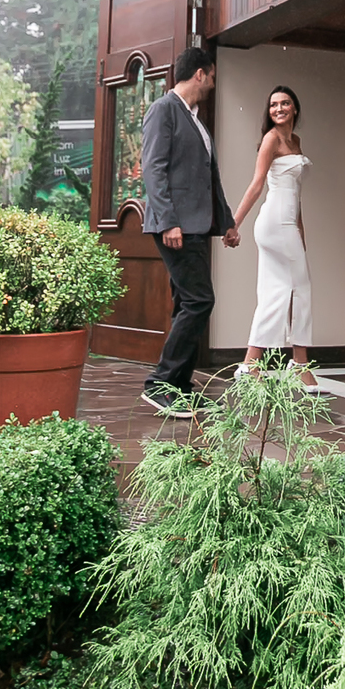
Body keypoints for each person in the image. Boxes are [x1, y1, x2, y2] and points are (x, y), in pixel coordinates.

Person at [140, 45, 239, 416]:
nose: (212, 84)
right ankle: (161, 383)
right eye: (211, 77)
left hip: (196, 224)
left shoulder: (195, 119)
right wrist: (168, 221)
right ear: (200, 72)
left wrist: (226, 222)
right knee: (201, 300)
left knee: (187, 301)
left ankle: (179, 386)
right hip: (175, 225)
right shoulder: (163, 110)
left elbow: (208, 178)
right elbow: (154, 168)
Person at [232, 85, 317, 389]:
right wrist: (234, 223)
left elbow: (297, 196)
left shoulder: (295, 140)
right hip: (273, 223)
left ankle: (251, 364)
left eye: (284, 103)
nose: (278, 109)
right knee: (300, 288)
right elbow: (257, 185)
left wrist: (301, 233)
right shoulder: (271, 139)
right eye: (273, 105)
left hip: (287, 224)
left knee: (276, 291)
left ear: (295, 108)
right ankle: (300, 364)